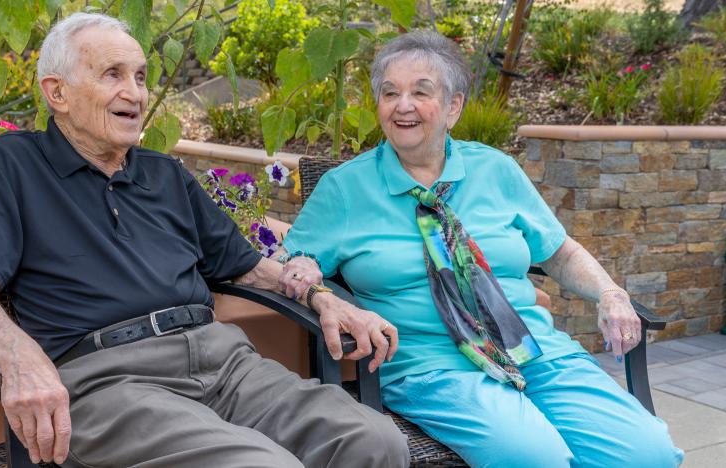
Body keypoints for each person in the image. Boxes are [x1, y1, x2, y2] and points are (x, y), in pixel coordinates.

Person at [0, 12, 409, 468]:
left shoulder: (164, 174)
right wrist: (19, 359)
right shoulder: (13, 164)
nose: (135, 93)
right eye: (113, 75)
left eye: (141, 77)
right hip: (110, 384)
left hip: (224, 363)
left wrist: (321, 297)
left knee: (375, 441)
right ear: (58, 93)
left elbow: (246, 266)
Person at [279, 30, 684, 468]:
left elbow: (559, 251)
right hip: (431, 366)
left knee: (649, 454)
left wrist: (611, 294)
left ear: (454, 107)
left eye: (421, 92)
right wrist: (305, 274)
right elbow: (290, 262)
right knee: (537, 457)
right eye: (389, 92)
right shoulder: (345, 188)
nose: (403, 105)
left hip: (533, 349)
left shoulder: (495, 169)